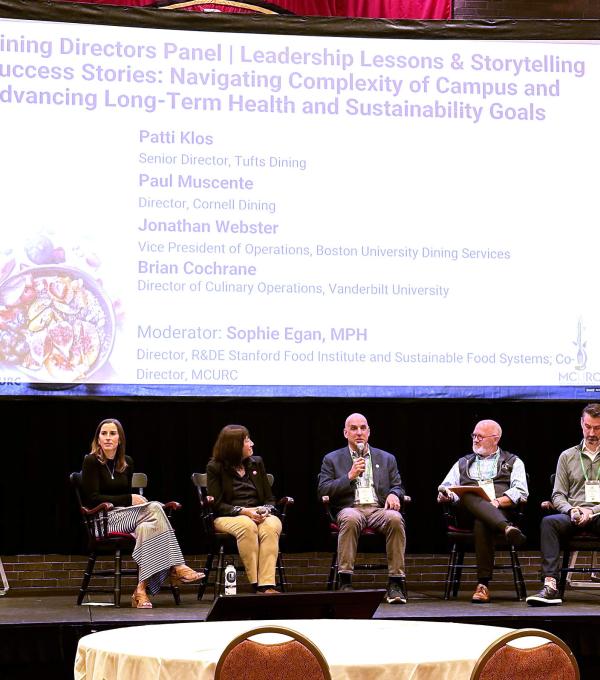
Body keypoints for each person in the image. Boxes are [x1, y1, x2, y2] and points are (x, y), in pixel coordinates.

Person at [81, 418, 204, 608]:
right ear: (97, 439)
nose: (107, 438)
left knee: (147, 528)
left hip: (129, 518)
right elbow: (92, 498)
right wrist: (129, 499)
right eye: (103, 434)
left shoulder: (127, 462)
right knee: (155, 507)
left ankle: (140, 591)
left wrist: (130, 503)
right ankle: (176, 565)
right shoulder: (90, 461)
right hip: (105, 519)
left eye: (112, 434)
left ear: (119, 439)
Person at [317, 413, 408, 604]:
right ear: (345, 433)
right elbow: (323, 490)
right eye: (353, 428)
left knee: (395, 519)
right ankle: (345, 581)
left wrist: (394, 494)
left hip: (378, 509)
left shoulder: (386, 458)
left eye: (362, 428)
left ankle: (395, 582)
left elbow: (398, 486)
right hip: (350, 508)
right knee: (350, 518)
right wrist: (349, 476)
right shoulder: (332, 459)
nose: (359, 432)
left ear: (369, 431)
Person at [437, 419, 528, 604]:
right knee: (469, 494)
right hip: (465, 515)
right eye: (474, 435)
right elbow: (447, 487)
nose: (475, 440)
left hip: (499, 511)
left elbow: (520, 491)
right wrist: (446, 495)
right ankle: (507, 529)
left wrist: (496, 502)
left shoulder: (513, 461)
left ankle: (482, 585)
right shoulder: (462, 463)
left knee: (482, 520)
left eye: (480, 436)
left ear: (495, 439)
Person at [527, 403, 600, 606]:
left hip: (599, 513)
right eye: (588, 426)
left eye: (597, 428)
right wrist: (572, 510)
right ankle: (550, 585)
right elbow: (558, 494)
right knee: (549, 523)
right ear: (581, 424)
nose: (591, 432)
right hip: (572, 514)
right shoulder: (567, 456)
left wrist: (592, 511)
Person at [207, 424, 282, 594]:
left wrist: (265, 510)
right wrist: (245, 511)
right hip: (229, 516)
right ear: (234, 445)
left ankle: (267, 585)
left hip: (258, 512)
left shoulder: (257, 463)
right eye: (247, 441)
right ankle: (256, 583)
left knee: (271, 526)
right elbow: (217, 505)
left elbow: (270, 498)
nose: (252, 444)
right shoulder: (215, 467)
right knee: (246, 526)